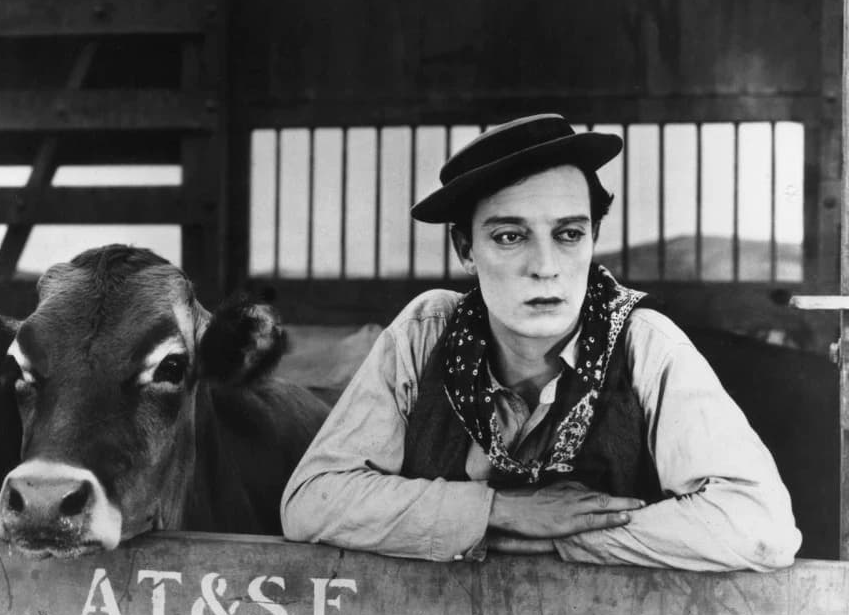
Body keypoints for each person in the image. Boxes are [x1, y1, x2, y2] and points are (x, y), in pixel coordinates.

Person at [280, 114, 801, 571]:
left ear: (593, 237)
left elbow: (760, 527)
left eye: (569, 234)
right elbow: (311, 502)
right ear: (466, 248)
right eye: (510, 236)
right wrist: (501, 512)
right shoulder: (425, 331)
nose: (546, 267)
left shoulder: (646, 343)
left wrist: (552, 538)